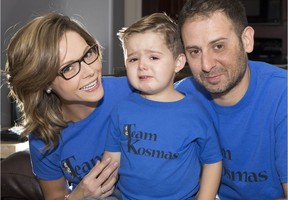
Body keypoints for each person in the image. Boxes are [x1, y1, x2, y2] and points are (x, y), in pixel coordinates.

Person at [5, 12, 134, 200]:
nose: (90, 71)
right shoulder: (44, 139)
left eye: (88, 54)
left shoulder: (134, 91)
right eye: (68, 68)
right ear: (44, 83)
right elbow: (55, 196)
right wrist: (80, 194)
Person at [175, 0, 287, 200]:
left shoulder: (282, 96)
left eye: (218, 46)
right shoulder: (180, 98)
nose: (206, 65)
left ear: (246, 40)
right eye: (195, 52)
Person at [102, 12, 223, 200]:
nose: (142, 65)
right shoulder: (122, 109)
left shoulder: (196, 111)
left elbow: (213, 162)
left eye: (153, 57)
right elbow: (111, 161)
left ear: (178, 62)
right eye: (133, 59)